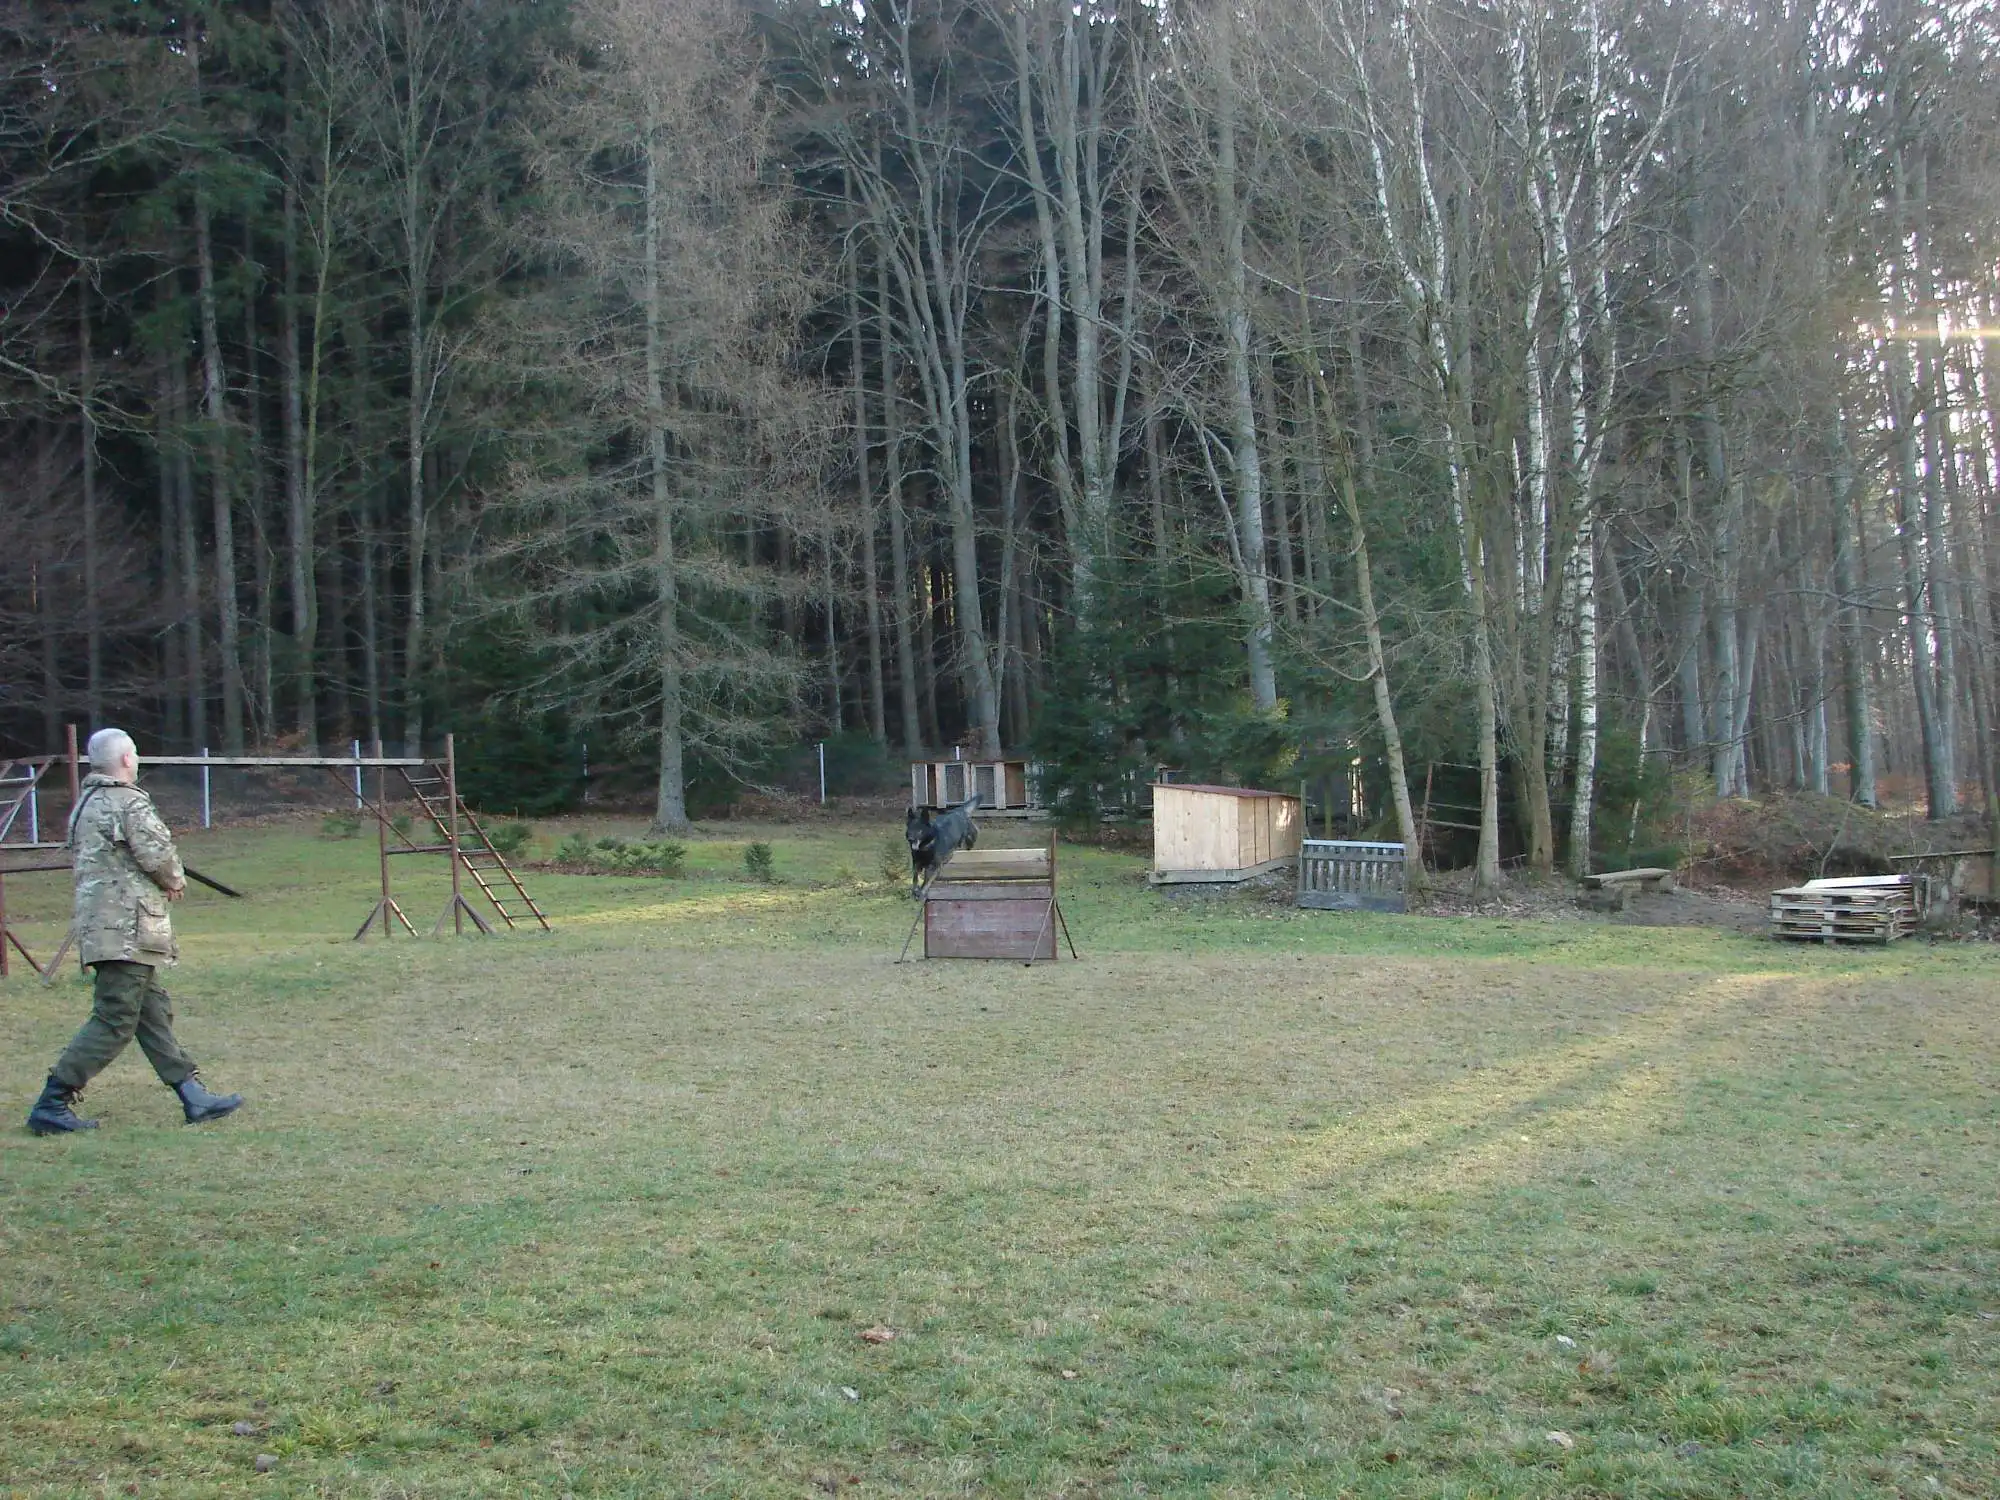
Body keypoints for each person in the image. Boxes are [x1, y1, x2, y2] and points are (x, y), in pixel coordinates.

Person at [25, 728, 244, 1135]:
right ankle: (52, 1102)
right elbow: (157, 855)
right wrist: (174, 881)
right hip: (128, 929)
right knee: (115, 1019)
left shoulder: (87, 803)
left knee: (151, 1012)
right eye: (135, 754)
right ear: (127, 759)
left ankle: (192, 1095)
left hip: (103, 928)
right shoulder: (128, 802)